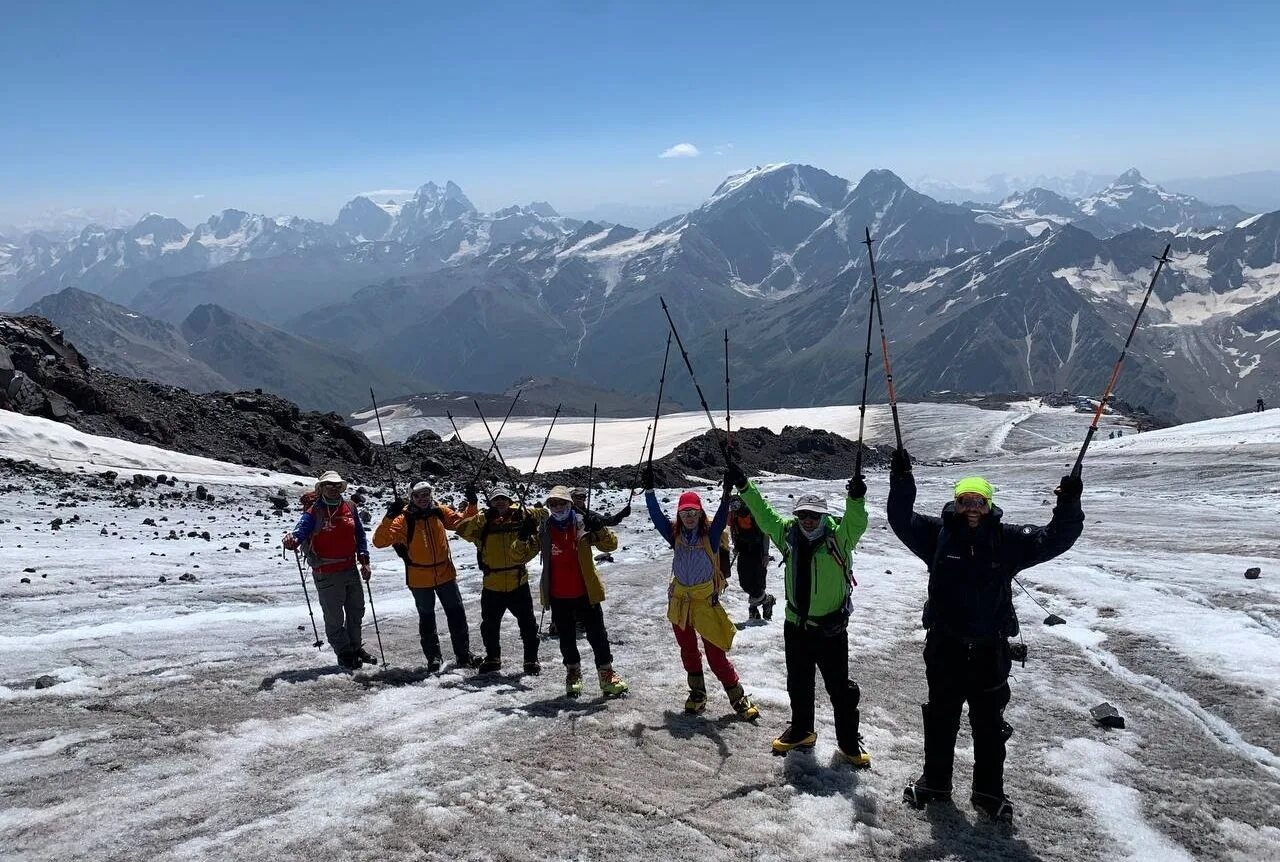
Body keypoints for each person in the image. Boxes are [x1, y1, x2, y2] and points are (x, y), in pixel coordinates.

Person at [887, 448, 1084, 822]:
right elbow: (900, 519)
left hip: (990, 651)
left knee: (989, 726)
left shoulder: (1007, 540)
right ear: (955, 503)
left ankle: (989, 793)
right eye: (964, 501)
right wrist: (902, 481)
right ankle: (935, 783)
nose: (972, 508)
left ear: (989, 504)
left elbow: (1055, 538)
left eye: (978, 501)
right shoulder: (937, 536)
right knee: (941, 718)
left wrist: (1069, 503)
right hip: (945, 646)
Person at [726, 461, 871, 764]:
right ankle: (803, 730)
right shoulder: (788, 535)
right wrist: (744, 485)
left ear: (823, 516)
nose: (807, 520)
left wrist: (856, 499)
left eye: (814, 515)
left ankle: (848, 743)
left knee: (839, 687)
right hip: (796, 627)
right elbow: (763, 514)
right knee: (798, 682)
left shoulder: (839, 539)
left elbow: (856, 523)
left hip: (830, 629)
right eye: (803, 514)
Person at [643, 467, 760, 719]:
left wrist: (728, 491)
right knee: (688, 650)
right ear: (679, 514)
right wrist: (650, 491)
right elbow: (655, 516)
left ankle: (737, 696)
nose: (688, 516)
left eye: (693, 512)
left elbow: (721, 515)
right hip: (680, 601)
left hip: (705, 602)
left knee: (716, 654)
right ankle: (697, 693)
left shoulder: (711, 534)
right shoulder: (674, 535)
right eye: (684, 512)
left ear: (699, 513)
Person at [512, 486, 628, 698]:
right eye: (552, 504)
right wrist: (522, 536)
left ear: (570, 504)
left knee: (598, 636)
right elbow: (519, 556)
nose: (557, 507)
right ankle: (573, 674)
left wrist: (599, 528)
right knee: (566, 639)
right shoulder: (545, 530)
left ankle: (607, 676)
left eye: (562, 503)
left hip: (586, 591)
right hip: (558, 595)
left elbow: (610, 545)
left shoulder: (583, 525)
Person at [372, 480, 479, 673]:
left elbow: (465, 526)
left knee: (457, 616)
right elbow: (379, 542)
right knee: (427, 619)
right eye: (417, 495)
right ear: (411, 497)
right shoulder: (403, 519)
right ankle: (434, 659)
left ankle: (463, 655)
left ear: (431, 494)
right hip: (419, 577)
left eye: (426, 494)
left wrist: (472, 505)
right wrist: (389, 516)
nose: (422, 499)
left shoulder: (440, 511)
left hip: (445, 573)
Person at [282, 471, 374, 670]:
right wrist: (292, 541)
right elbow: (301, 531)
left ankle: (355, 647)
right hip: (327, 571)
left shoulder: (350, 507)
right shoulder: (314, 511)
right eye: (328, 485)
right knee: (334, 617)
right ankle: (344, 652)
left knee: (356, 611)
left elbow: (359, 534)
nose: (332, 488)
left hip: (350, 568)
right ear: (321, 488)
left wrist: (364, 561)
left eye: (336, 485)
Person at [456, 487, 544, 675]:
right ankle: (493, 658)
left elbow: (544, 514)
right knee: (489, 625)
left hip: (517, 581)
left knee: (528, 624)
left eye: (504, 498)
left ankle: (530, 659)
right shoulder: (483, 523)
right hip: (492, 583)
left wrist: (527, 514)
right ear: (491, 503)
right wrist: (481, 516)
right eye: (496, 499)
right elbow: (462, 530)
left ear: (509, 500)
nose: (500, 502)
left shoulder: (521, 516)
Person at [728, 493, 776, 621]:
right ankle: (767, 601)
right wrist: (736, 546)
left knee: (758, 583)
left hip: (758, 551)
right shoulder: (733, 516)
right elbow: (733, 530)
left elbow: (765, 534)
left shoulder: (753, 514)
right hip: (744, 551)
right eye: (732, 506)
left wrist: (766, 554)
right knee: (745, 583)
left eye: (736, 505)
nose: (734, 508)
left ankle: (754, 608)